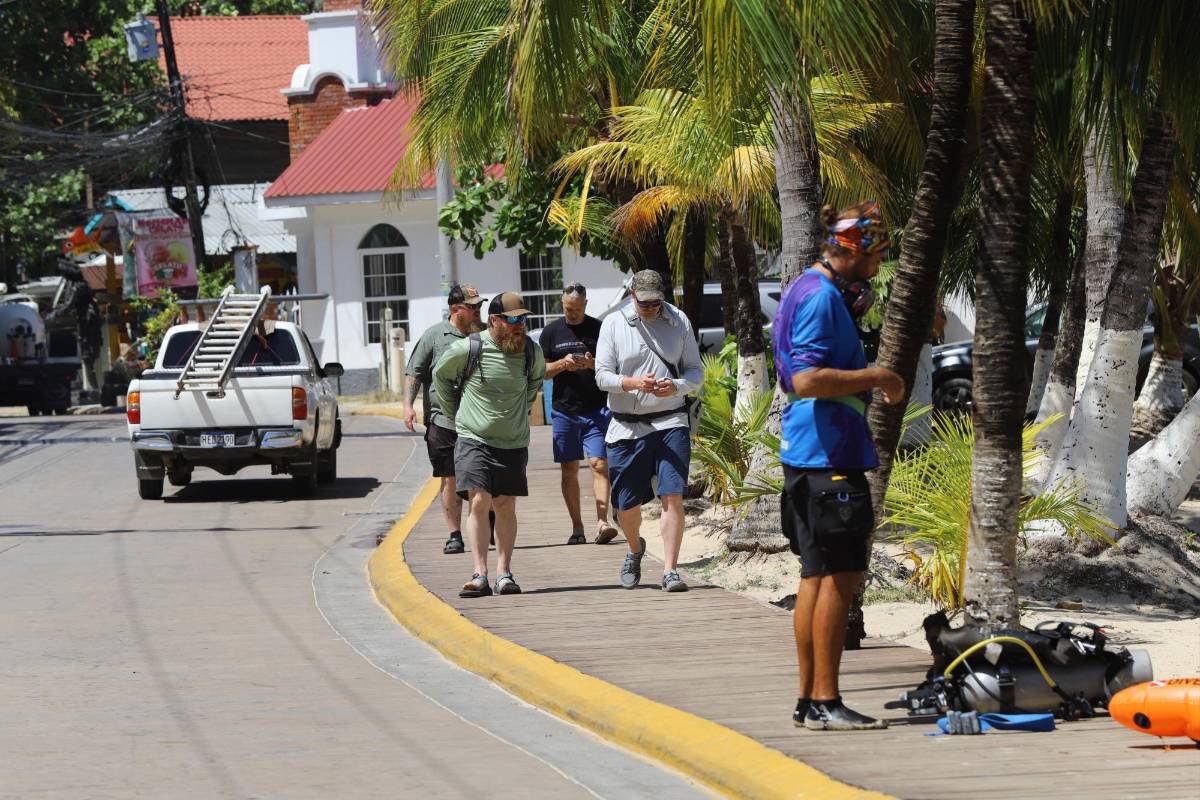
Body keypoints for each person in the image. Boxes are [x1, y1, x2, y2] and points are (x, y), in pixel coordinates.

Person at [773, 201, 904, 731]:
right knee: (839, 578)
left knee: (816, 575)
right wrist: (878, 375)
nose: (879, 263)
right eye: (876, 255)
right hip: (828, 456)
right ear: (852, 251)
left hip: (807, 452)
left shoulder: (807, 287)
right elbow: (806, 379)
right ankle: (826, 701)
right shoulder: (822, 297)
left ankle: (809, 700)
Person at [594, 270, 702, 593]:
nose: (651, 308)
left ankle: (670, 570)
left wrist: (676, 386)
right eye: (644, 303)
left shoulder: (679, 320)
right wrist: (632, 383)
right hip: (626, 426)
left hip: (671, 421)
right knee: (626, 507)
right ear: (632, 296)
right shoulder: (614, 324)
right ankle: (634, 548)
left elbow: (696, 372)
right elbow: (601, 376)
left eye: (656, 302)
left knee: (673, 494)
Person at [433, 291, 546, 598]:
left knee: (505, 504)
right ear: (494, 320)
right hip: (474, 438)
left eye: (522, 320)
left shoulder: (531, 351)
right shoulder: (469, 348)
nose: (519, 326)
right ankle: (479, 573)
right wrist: (454, 413)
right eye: (512, 320)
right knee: (480, 500)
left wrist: (522, 408)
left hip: (512, 441)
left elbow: (535, 381)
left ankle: (504, 573)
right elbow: (440, 375)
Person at [403, 284, 485, 555]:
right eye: (471, 306)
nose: (477, 311)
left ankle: (484, 522)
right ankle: (454, 534)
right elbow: (415, 372)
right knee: (449, 477)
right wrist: (408, 405)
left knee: (480, 476)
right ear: (455, 308)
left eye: (479, 306)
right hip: (443, 419)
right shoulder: (435, 335)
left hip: (479, 420)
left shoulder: (484, 334)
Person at [539, 282, 620, 545]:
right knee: (569, 469)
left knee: (599, 463)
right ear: (562, 304)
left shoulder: (600, 328)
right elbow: (543, 372)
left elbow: (612, 368)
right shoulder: (551, 332)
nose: (572, 314)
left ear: (585, 304)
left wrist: (591, 363)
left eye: (576, 309)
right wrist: (563, 364)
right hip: (564, 411)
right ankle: (577, 527)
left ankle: (602, 522)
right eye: (567, 309)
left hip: (596, 409)